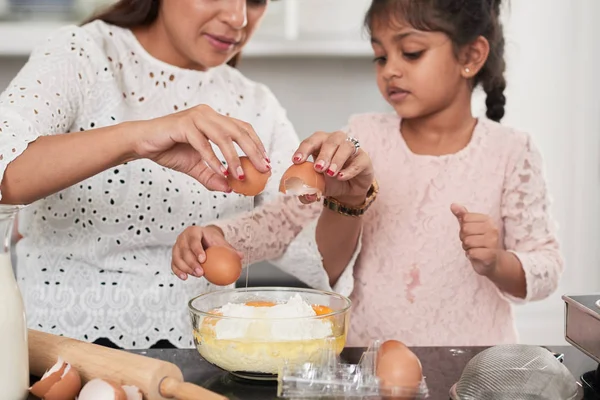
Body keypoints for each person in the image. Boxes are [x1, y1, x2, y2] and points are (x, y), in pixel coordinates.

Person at [174, 0, 563, 347]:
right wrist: (223, 237)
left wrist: (497, 262)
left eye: (410, 53)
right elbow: (288, 218)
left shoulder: (512, 151)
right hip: (366, 363)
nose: (390, 70)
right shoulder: (363, 139)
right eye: (380, 56)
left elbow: (545, 268)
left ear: (472, 56)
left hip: (474, 370)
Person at [0, 0, 374, 349]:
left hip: (202, 362)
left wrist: (347, 201)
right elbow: (6, 172)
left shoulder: (255, 104)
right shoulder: (82, 54)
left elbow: (316, 262)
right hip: (60, 353)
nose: (239, 18)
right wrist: (138, 137)